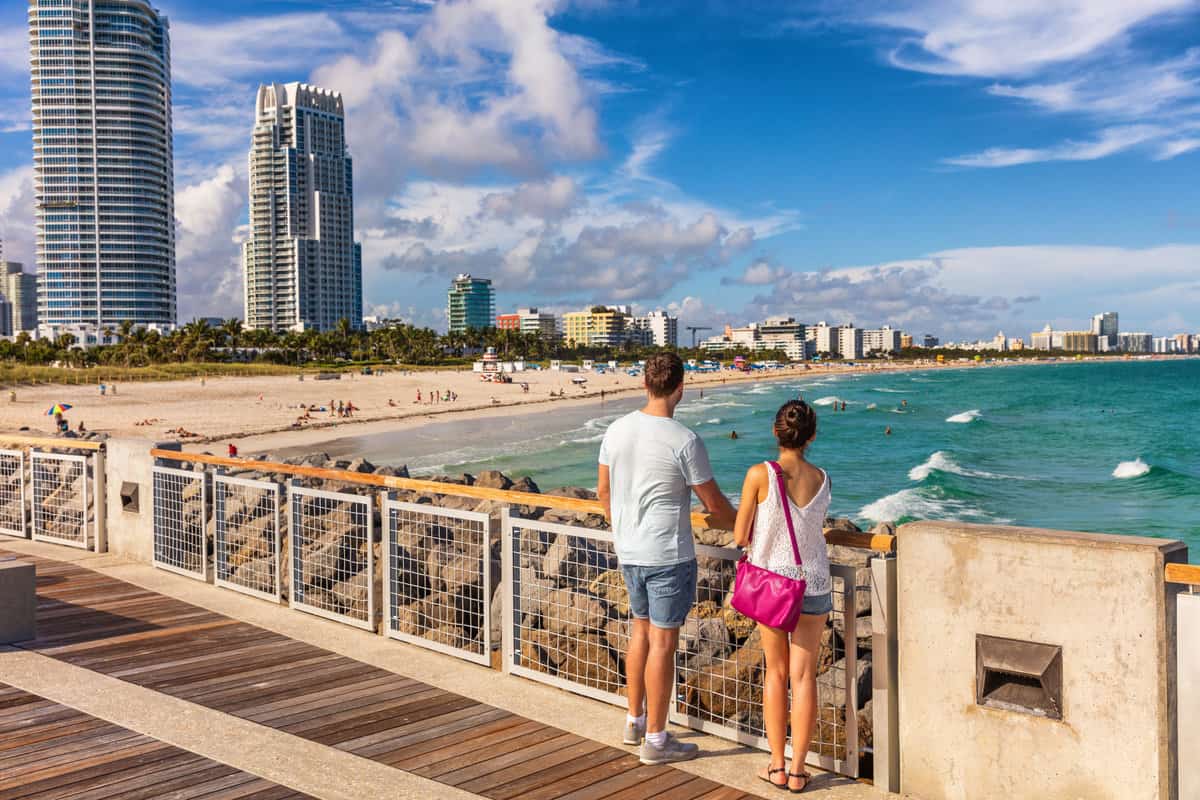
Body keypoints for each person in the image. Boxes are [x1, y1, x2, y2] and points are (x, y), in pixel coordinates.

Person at [597, 352, 735, 765]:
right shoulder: (684, 440)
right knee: (663, 643)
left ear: (644, 384)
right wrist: (748, 525)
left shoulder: (616, 430)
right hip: (667, 555)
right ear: (681, 388)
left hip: (630, 551)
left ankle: (634, 720)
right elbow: (713, 505)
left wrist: (623, 526)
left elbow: (603, 491)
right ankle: (656, 740)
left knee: (640, 633)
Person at [732, 400, 832, 792]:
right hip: (814, 584)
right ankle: (799, 771)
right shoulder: (823, 478)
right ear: (812, 437)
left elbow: (740, 535)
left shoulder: (760, 474)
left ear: (776, 432)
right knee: (804, 677)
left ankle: (776, 765)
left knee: (775, 673)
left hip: (774, 586)